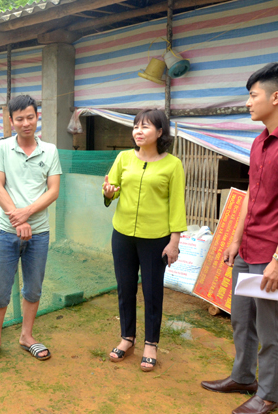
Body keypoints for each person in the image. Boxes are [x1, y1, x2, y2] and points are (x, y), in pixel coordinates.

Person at [201, 63, 278, 414]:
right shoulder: (259, 142)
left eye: (253, 95)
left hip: (274, 255)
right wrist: (236, 240)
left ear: (276, 97)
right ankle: (243, 377)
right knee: (242, 318)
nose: (249, 103)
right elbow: (252, 193)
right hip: (251, 247)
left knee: (271, 328)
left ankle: (268, 396)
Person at [0, 95, 61, 365]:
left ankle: (26, 336)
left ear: (37, 117)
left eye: (30, 117)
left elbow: (54, 191)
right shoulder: (2, 148)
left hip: (40, 233)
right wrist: (19, 220)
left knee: (33, 288)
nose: (26, 123)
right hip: (7, 231)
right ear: (11, 121)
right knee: (0, 288)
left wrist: (28, 214)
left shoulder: (50, 150)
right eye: (19, 118)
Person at [103, 109, 186, 372]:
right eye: (136, 126)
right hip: (123, 235)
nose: (138, 131)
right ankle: (127, 338)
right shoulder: (123, 157)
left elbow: (176, 205)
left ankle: (151, 344)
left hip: (155, 238)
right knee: (125, 288)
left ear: (160, 132)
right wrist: (108, 192)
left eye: (145, 127)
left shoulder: (172, 164)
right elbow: (112, 190)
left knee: (152, 292)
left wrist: (174, 242)